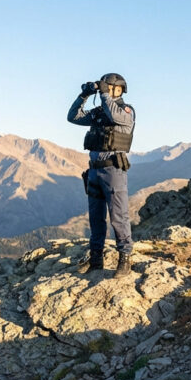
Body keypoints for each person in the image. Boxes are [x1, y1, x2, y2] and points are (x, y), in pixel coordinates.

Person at [67, 73, 136, 277]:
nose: (107, 91)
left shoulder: (126, 111)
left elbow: (114, 116)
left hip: (113, 170)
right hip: (95, 170)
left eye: (111, 88)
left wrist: (104, 94)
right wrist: (84, 95)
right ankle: (96, 257)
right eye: (106, 88)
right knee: (96, 217)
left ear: (120, 89)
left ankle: (125, 258)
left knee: (118, 216)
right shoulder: (98, 113)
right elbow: (73, 117)